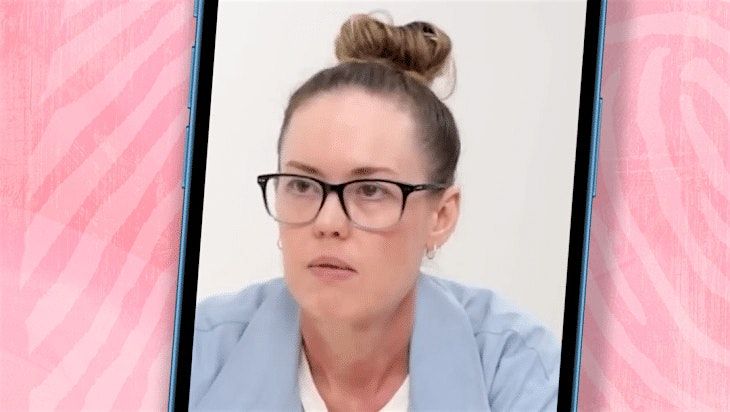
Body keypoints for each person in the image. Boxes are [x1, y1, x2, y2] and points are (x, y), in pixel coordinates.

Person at [190, 13, 560, 412]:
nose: (327, 223)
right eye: (302, 185)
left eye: (370, 190)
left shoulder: (521, 372)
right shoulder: (190, 356)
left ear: (441, 217)